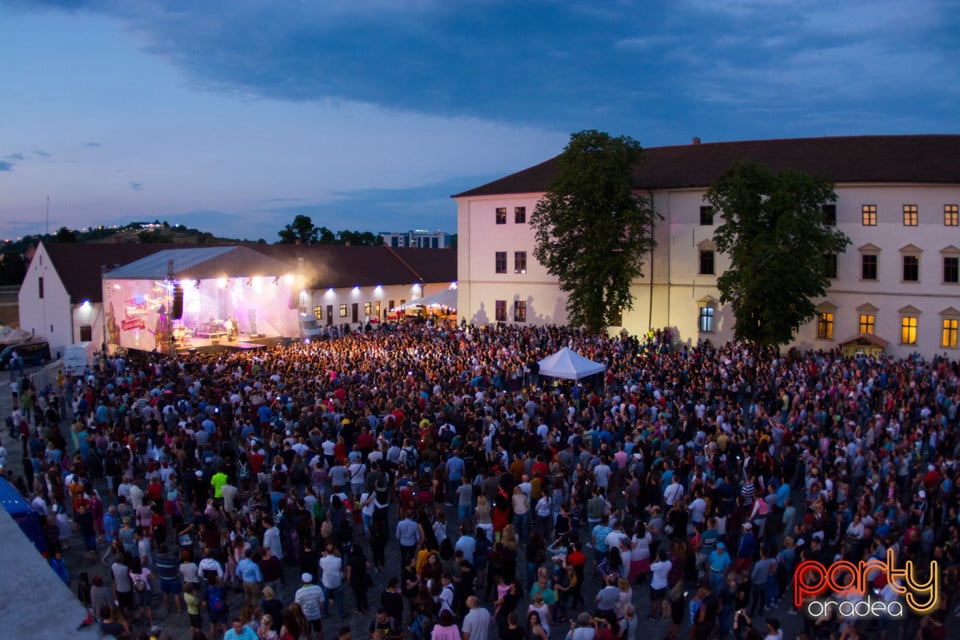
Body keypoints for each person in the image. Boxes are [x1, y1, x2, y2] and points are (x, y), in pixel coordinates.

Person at [294, 572, 324, 640]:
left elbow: (297, 606)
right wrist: (320, 612)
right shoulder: (318, 588)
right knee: (319, 631)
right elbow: (321, 603)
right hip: (316, 614)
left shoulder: (299, 592)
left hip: (305, 616)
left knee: (308, 632)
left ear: (303, 581)